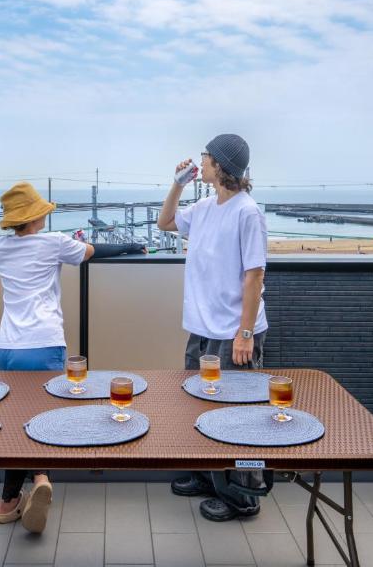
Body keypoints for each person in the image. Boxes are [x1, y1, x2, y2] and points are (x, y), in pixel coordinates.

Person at [0, 182, 144, 532]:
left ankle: (9, 500)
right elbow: (92, 251)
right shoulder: (54, 242)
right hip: (44, 341)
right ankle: (40, 478)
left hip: (8, 345)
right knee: (42, 417)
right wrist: (132, 246)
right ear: (36, 216)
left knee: (17, 416)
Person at [156, 133, 270, 522]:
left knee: (237, 413)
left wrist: (245, 333)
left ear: (221, 166)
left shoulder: (247, 212)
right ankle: (209, 477)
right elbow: (166, 221)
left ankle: (243, 495)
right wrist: (177, 183)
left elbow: (254, 276)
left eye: (205, 158)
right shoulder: (204, 206)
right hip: (202, 329)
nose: (200, 162)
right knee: (201, 405)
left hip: (233, 331)